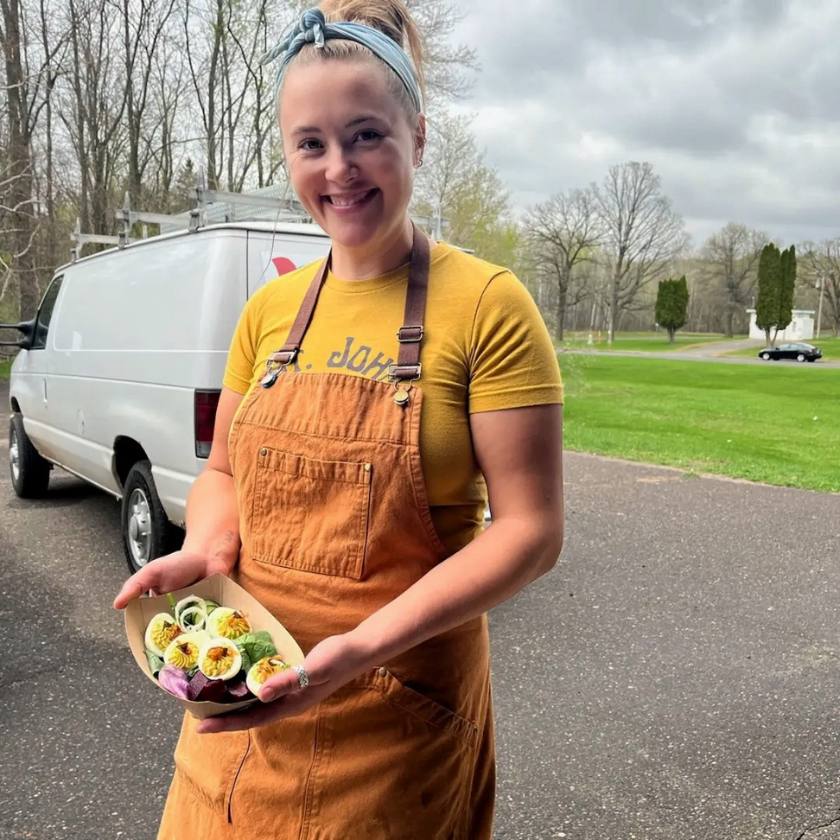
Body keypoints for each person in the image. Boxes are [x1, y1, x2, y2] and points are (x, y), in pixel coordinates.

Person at [114, 1, 564, 837]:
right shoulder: (269, 311)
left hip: (399, 717)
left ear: (418, 138)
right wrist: (206, 551)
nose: (339, 169)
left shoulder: (490, 306)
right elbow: (223, 472)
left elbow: (530, 531)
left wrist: (356, 653)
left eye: (365, 136)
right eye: (310, 143)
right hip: (246, 697)